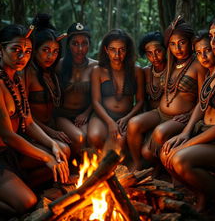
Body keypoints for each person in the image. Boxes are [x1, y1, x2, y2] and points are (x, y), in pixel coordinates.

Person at [161, 14, 215, 221]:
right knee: (166, 152)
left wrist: (186, 146)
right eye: (211, 36)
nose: (213, 42)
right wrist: (185, 133)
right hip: (209, 133)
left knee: (180, 158)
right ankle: (203, 195)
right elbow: (203, 102)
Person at [0, 24, 69, 217]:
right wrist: (45, 157)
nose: (22, 57)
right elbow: (8, 135)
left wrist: (52, 145)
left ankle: (14, 186)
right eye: (16, 50)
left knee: (62, 153)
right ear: (0, 49)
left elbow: (29, 122)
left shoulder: (16, 79)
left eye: (27, 51)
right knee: (27, 203)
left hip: (13, 153)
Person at [141, 17, 207, 163]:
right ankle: (144, 166)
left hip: (182, 117)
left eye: (181, 43)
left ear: (191, 43)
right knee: (145, 152)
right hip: (162, 113)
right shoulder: (171, 64)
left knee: (153, 142)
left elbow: (204, 99)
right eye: (172, 44)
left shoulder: (198, 65)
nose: (177, 49)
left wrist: (190, 114)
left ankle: (164, 171)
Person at [87, 29, 144, 152]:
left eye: (121, 50)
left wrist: (127, 118)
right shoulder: (98, 71)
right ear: (106, 50)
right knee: (95, 136)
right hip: (102, 115)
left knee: (118, 143)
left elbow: (140, 101)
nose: (117, 55)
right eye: (112, 49)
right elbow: (95, 101)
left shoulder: (136, 71)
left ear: (127, 50)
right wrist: (109, 122)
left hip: (126, 116)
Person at [25, 13, 71, 154]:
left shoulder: (52, 71)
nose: (51, 56)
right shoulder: (27, 74)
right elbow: (25, 117)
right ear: (35, 50)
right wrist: (51, 132)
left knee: (77, 141)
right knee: (64, 151)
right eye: (45, 50)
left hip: (52, 124)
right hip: (32, 130)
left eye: (55, 51)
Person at [56, 22, 97, 156]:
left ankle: (86, 171)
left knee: (89, 137)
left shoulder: (95, 67)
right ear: (68, 45)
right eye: (75, 43)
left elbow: (98, 96)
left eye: (84, 43)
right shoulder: (59, 65)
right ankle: (73, 169)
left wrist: (86, 113)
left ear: (89, 44)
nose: (80, 48)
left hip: (84, 115)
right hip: (63, 115)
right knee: (79, 137)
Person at [127, 31, 167, 170]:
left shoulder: (173, 69)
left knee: (147, 152)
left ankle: (158, 168)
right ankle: (137, 163)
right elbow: (142, 100)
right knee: (133, 124)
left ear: (165, 50)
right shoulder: (146, 72)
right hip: (153, 116)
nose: (154, 57)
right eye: (149, 53)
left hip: (170, 116)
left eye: (158, 51)